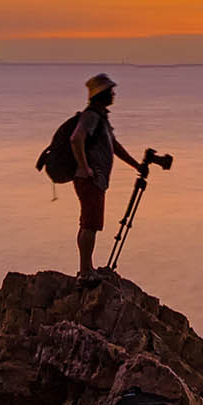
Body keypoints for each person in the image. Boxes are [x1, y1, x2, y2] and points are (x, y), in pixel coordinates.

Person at [64, 72, 144, 275]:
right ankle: (86, 271)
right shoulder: (91, 116)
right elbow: (76, 139)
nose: (114, 94)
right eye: (110, 91)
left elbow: (114, 146)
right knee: (90, 225)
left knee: (88, 224)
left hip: (94, 179)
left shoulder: (101, 118)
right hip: (90, 178)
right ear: (101, 94)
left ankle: (86, 268)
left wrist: (136, 165)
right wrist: (85, 166)